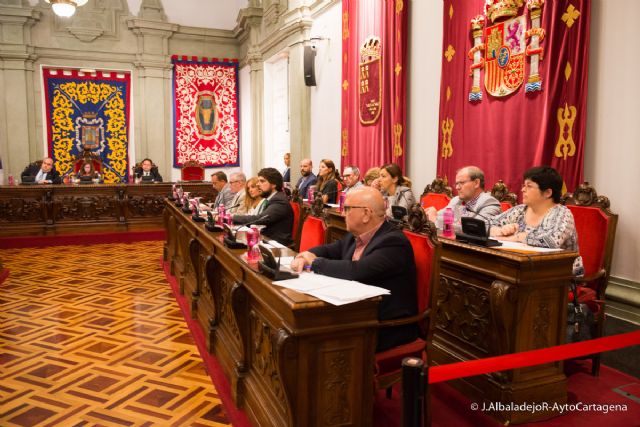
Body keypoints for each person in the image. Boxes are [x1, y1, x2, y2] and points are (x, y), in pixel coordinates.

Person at [291, 187, 418, 352]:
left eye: (347, 208)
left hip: (384, 326)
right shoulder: (356, 235)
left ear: (366, 213)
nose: (343, 214)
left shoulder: (394, 242)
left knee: (312, 337)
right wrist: (306, 254)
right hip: (358, 314)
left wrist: (314, 263)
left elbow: (357, 270)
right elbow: (330, 250)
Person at [490, 166, 583, 275]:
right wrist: (500, 231)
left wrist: (517, 237)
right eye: (523, 185)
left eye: (529, 186)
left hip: (560, 277)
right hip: (525, 270)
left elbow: (552, 241)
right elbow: (487, 224)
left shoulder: (562, 214)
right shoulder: (520, 210)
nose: (522, 190)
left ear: (548, 192)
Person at [424, 166, 501, 229]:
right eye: (456, 184)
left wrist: (435, 220)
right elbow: (439, 215)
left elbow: (474, 229)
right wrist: (427, 214)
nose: (457, 187)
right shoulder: (456, 200)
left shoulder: (490, 203)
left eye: (461, 183)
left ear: (476, 183)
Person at [232, 167, 294, 246]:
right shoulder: (272, 198)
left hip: (276, 245)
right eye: (258, 181)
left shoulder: (279, 201)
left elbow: (260, 219)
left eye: (262, 181)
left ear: (274, 184)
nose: (258, 184)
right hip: (266, 240)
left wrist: (232, 218)